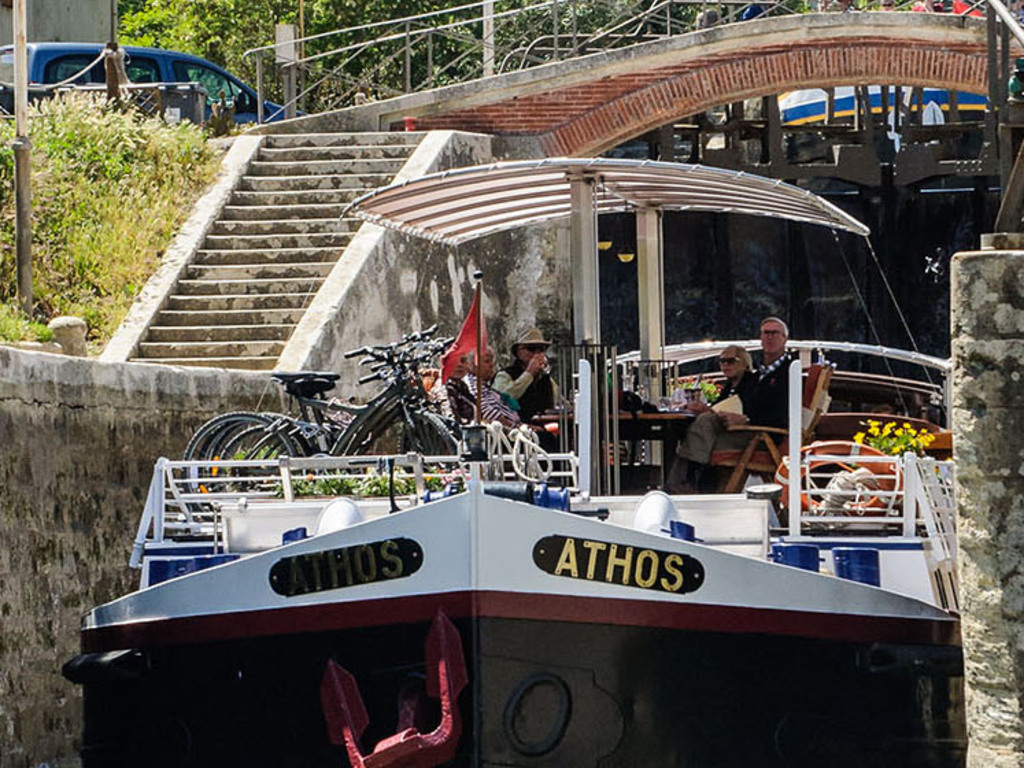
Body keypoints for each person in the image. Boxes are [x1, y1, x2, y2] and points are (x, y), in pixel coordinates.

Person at [493, 327, 560, 423]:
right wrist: (529, 374)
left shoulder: (545, 378)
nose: (537, 354)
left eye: (541, 349)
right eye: (531, 349)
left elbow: (559, 401)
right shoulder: (505, 375)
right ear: (519, 352)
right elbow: (500, 401)